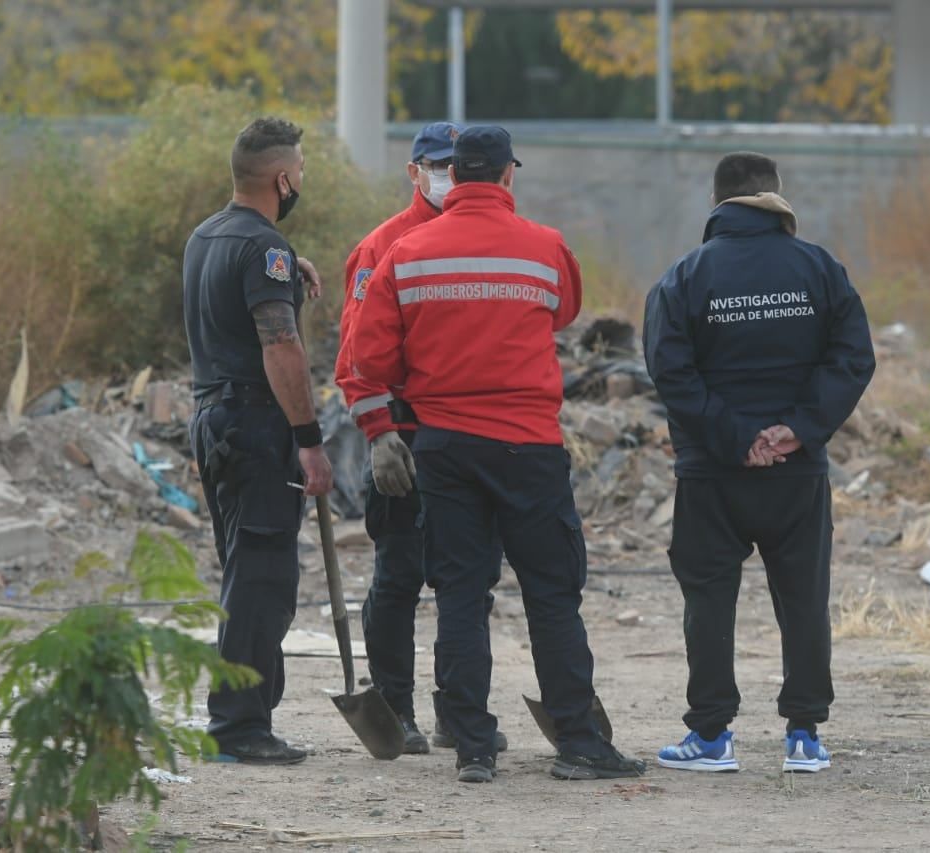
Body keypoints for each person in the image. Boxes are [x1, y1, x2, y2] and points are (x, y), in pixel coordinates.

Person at [354, 125, 646, 783]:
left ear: (452, 177)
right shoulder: (546, 248)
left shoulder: (406, 254)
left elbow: (369, 358)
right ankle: (579, 741)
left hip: (444, 447)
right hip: (528, 446)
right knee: (551, 594)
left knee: (460, 592)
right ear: (509, 175)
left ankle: (473, 746)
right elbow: (562, 313)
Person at [644, 152, 875, 774]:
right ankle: (804, 735)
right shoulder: (819, 268)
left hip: (711, 471)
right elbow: (854, 358)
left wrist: (735, 437)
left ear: (716, 202)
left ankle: (711, 736)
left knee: (708, 600)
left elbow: (669, 370)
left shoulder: (684, 276)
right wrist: (797, 430)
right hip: (797, 472)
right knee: (803, 598)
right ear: (777, 197)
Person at [335, 121, 509, 757]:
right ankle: (394, 708)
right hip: (405, 439)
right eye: (434, 165)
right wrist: (379, 434)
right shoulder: (382, 246)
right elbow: (355, 356)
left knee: (469, 582)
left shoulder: (488, 240)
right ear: (415, 172)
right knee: (400, 576)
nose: (445, 175)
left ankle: (457, 712)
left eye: (451, 164)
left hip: (469, 437)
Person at [183, 116, 334, 765]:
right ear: (281, 179)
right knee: (263, 577)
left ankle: (248, 713)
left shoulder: (206, 236)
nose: (301, 179)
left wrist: (285, 266)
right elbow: (280, 345)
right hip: (254, 425)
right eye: (299, 170)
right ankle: (238, 726)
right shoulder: (264, 248)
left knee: (244, 569)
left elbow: (236, 287)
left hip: (213, 421)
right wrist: (309, 438)